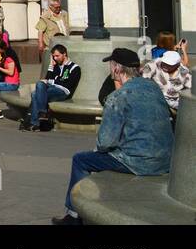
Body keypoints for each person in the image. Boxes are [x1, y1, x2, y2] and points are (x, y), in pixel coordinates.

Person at [54, 48, 175, 224]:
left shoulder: (117, 97)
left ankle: (73, 216)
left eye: (111, 65)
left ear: (117, 69)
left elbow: (105, 142)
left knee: (81, 159)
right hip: (166, 159)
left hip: (138, 162)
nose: (110, 70)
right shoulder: (153, 88)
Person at [21, 43, 81, 132]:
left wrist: (51, 81)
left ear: (64, 54)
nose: (55, 58)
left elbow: (68, 84)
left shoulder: (74, 68)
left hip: (63, 91)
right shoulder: (55, 65)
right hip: (51, 89)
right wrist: (51, 66)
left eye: (57, 56)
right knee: (38, 88)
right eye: (54, 56)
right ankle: (40, 118)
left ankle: (35, 120)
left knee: (35, 93)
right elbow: (48, 78)